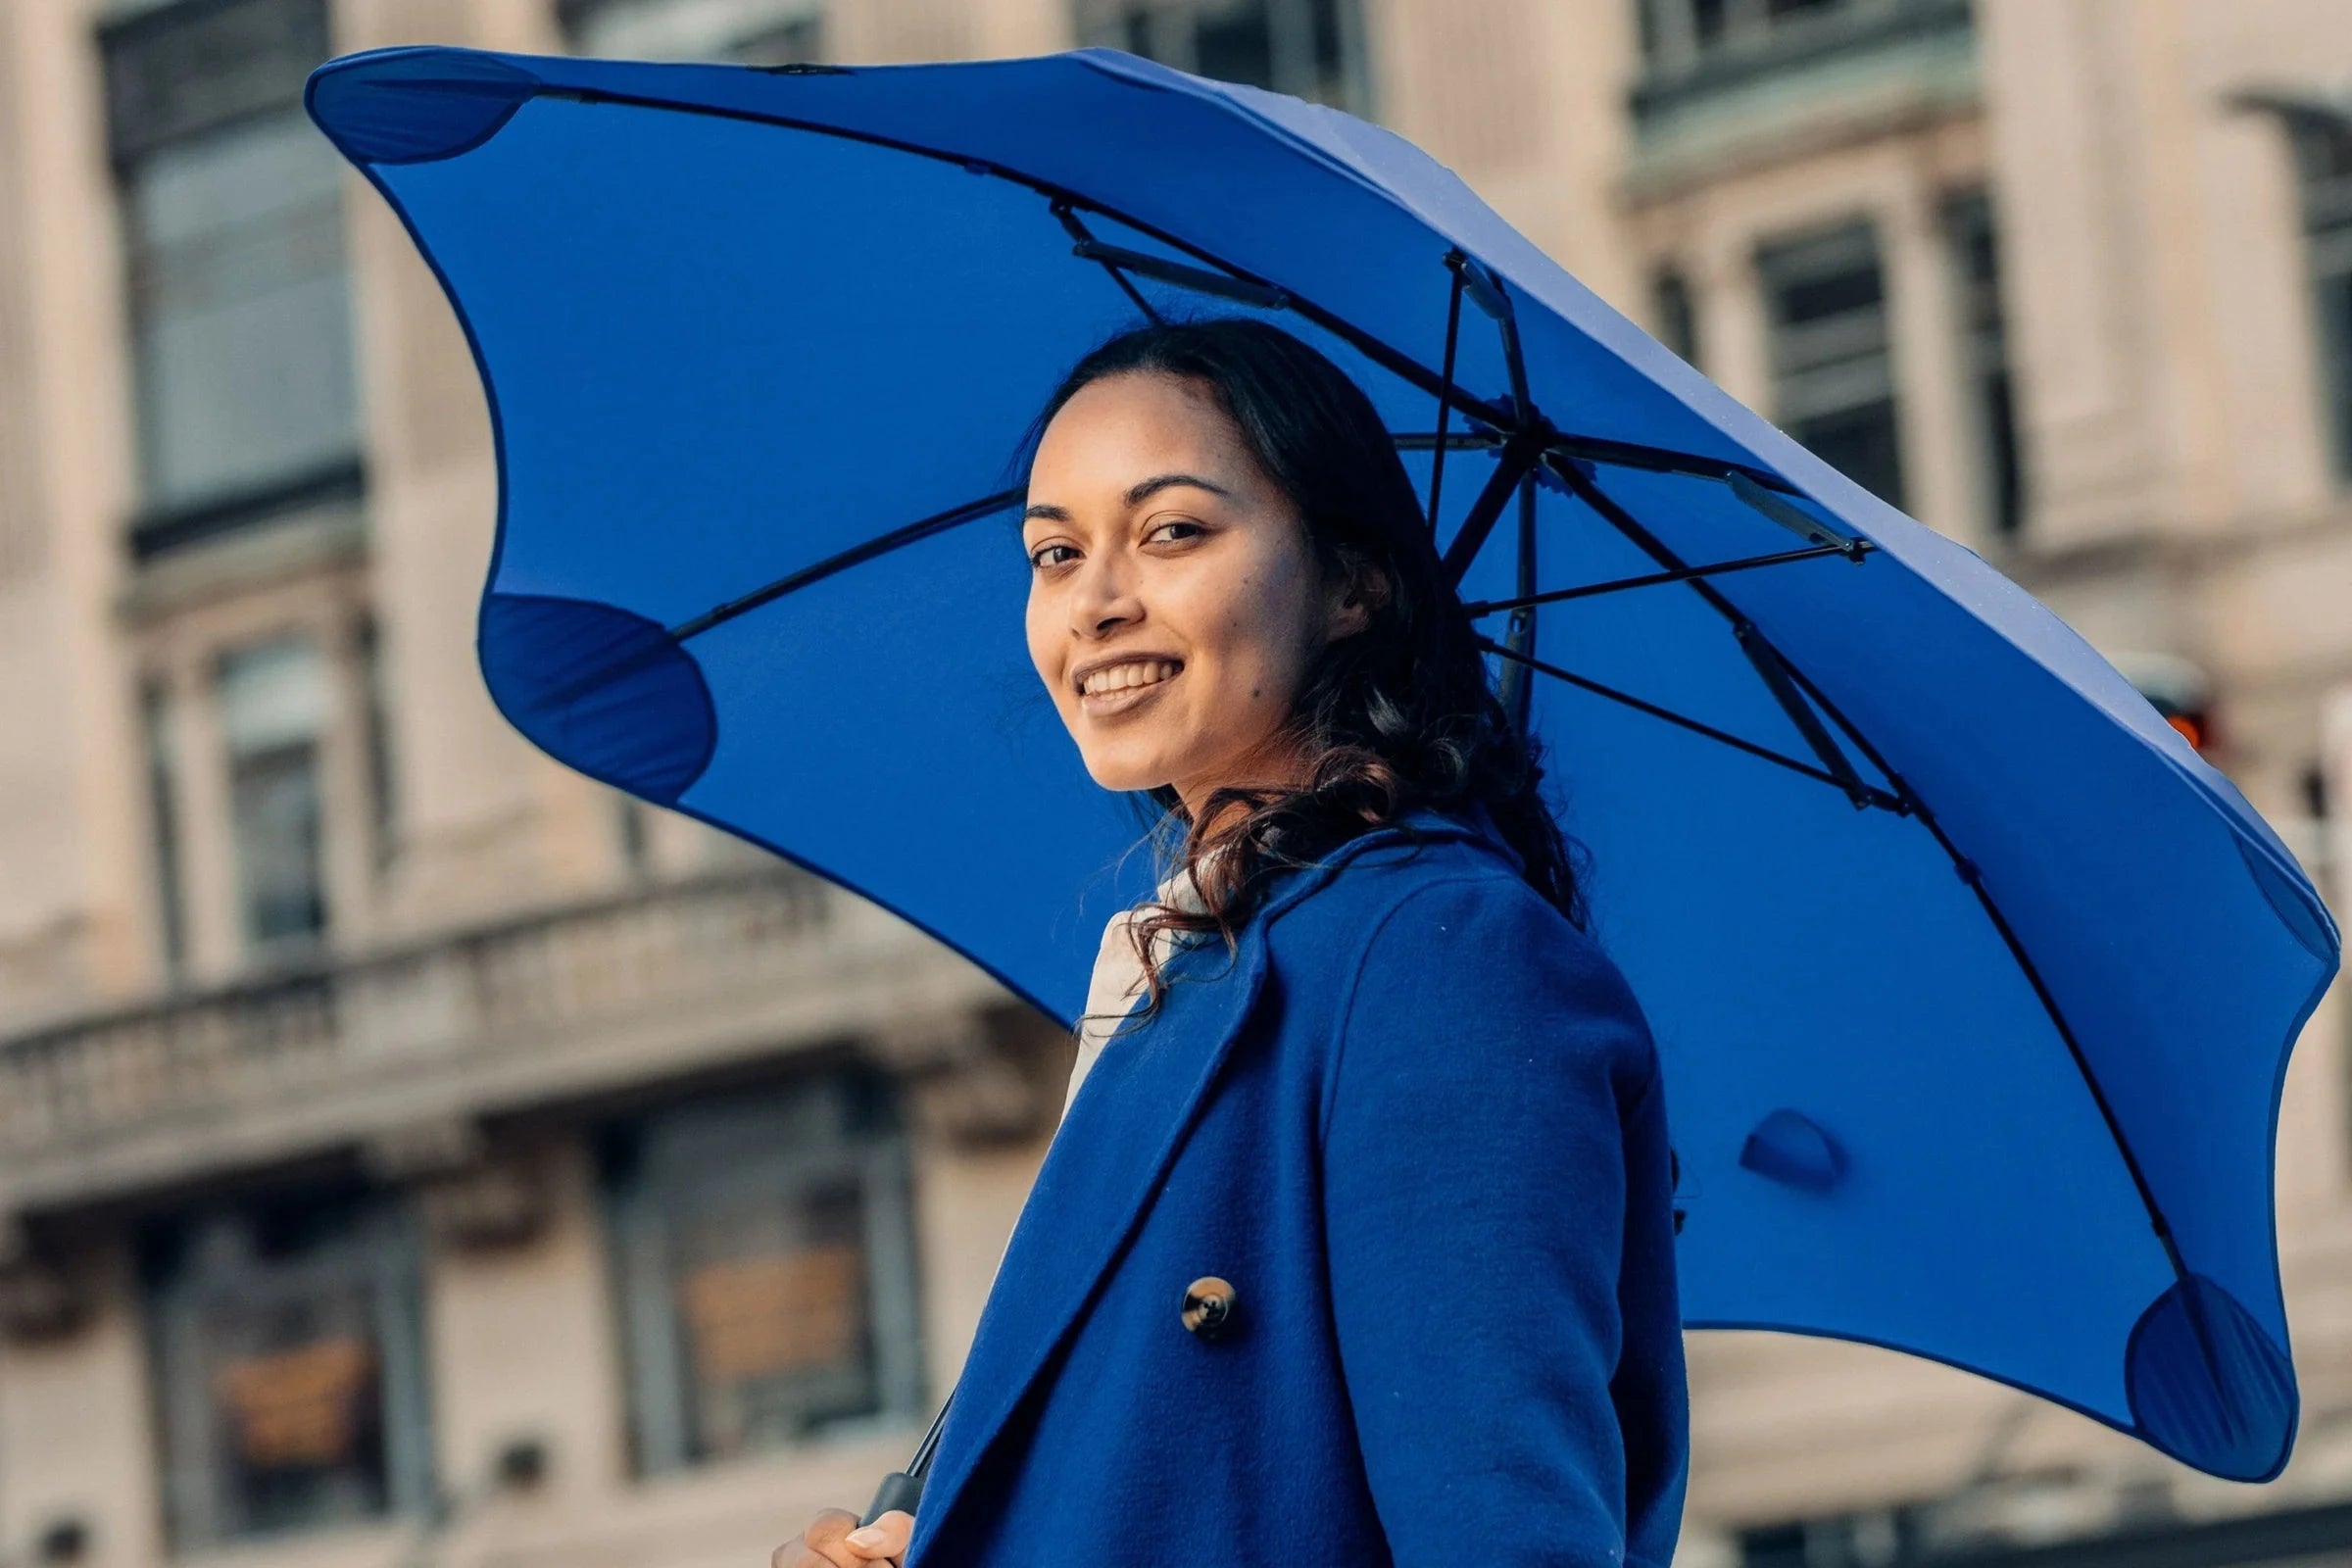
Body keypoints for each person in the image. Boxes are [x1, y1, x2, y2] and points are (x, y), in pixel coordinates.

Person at [774, 317, 1687, 1568]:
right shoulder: (1193, 964)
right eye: (1054, 553)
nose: (1093, 604)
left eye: (1172, 532)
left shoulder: (1438, 954)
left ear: (1354, 583)